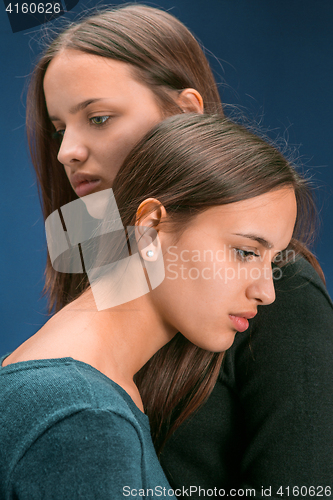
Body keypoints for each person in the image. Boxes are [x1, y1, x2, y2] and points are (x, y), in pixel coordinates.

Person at [23, 4, 333, 497]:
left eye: (98, 118)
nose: (67, 152)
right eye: (59, 129)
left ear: (185, 114)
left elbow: (301, 486)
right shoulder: (94, 263)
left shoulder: (280, 288)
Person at [1, 112, 302, 498]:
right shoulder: (85, 419)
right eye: (245, 252)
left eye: (272, 261)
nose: (267, 291)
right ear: (149, 229)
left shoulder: (71, 386)